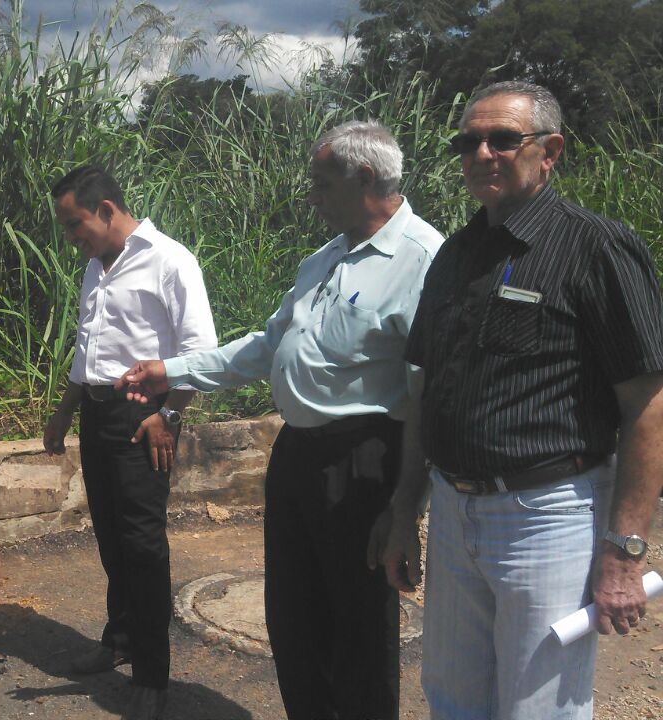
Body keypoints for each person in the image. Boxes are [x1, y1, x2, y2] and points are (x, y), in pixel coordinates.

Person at [118, 120, 444, 720]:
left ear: (365, 177)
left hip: (364, 459)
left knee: (359, 627)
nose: (312, 197)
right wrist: (174, 369)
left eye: (322, 184)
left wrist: (407, 504)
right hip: (298, 455)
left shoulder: (423, 261)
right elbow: (267, 344)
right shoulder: (325, 257)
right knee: (293, 617)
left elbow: (432, 395)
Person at [377, 81, 663, 720]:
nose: (482, 153)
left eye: (503, 139)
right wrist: (405, 512)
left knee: (540, 707)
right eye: (468, 141)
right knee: (452, 697)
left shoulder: (596, 248)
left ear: (550, 150)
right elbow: (426, 389)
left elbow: (648, 403)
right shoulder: (454, 254)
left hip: (546, 516)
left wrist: (625, 552)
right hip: (454, 511)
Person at [43, 165, 217, 720]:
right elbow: (85, 349)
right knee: (112, 539)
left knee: (143, 546)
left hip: (144, 416)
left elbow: (200, 350)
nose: (73, 239)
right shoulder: (98, 266)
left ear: (108, 210)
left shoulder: (170, 260)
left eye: (76, 225)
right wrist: (64, 412)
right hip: (97, 416)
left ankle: (152, 673)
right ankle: (118, 639)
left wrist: (170, 414)